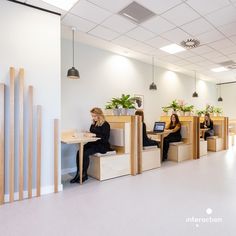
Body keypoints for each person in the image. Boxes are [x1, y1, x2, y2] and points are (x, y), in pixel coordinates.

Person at [70, 107, 111, 183]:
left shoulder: (105, 124)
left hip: (102, 145)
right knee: (79, 152)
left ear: (100, 115)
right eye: (92, 116)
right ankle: (78, 174)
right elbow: (92, 133)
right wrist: (88, 133)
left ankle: (84, 175)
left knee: (85, 153)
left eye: (95, 116)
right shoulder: (93, 123)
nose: (93, 117)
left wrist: (93, 134)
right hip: (93, 143)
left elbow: (105, 138)